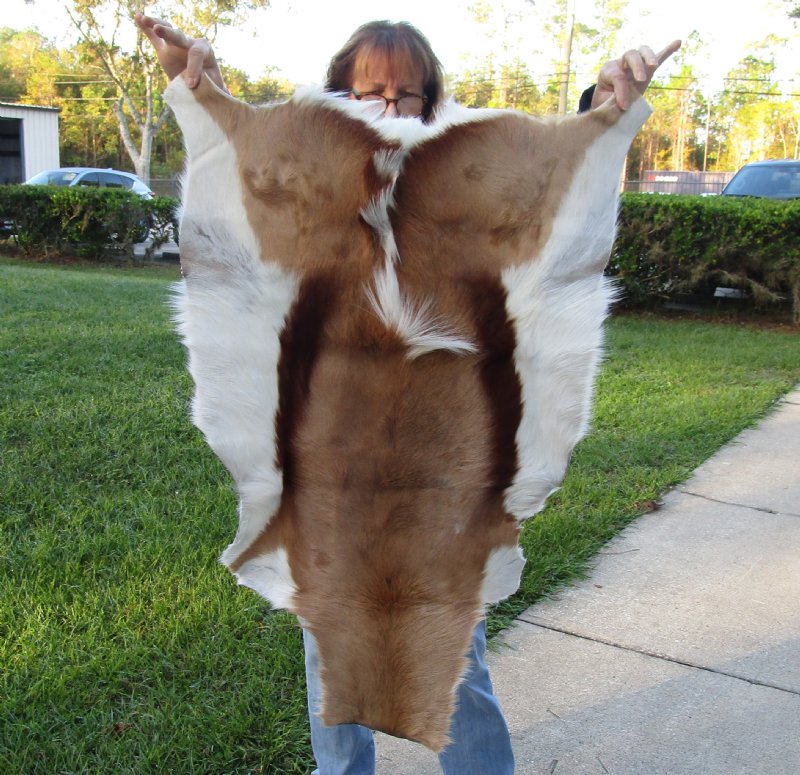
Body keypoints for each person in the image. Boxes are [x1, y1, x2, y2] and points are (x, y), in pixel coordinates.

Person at [136, 12, 679, 774]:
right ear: (338, 100)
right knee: (328, 651)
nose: (388, 109)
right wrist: (201, 87)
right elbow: (246, 169)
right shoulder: (310, 189)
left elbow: (544, 196)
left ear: (430, 106)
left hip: (440, 476)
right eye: (370, 92)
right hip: (330, 471)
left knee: (456, 660)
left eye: (407, 94)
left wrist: (605, 110)